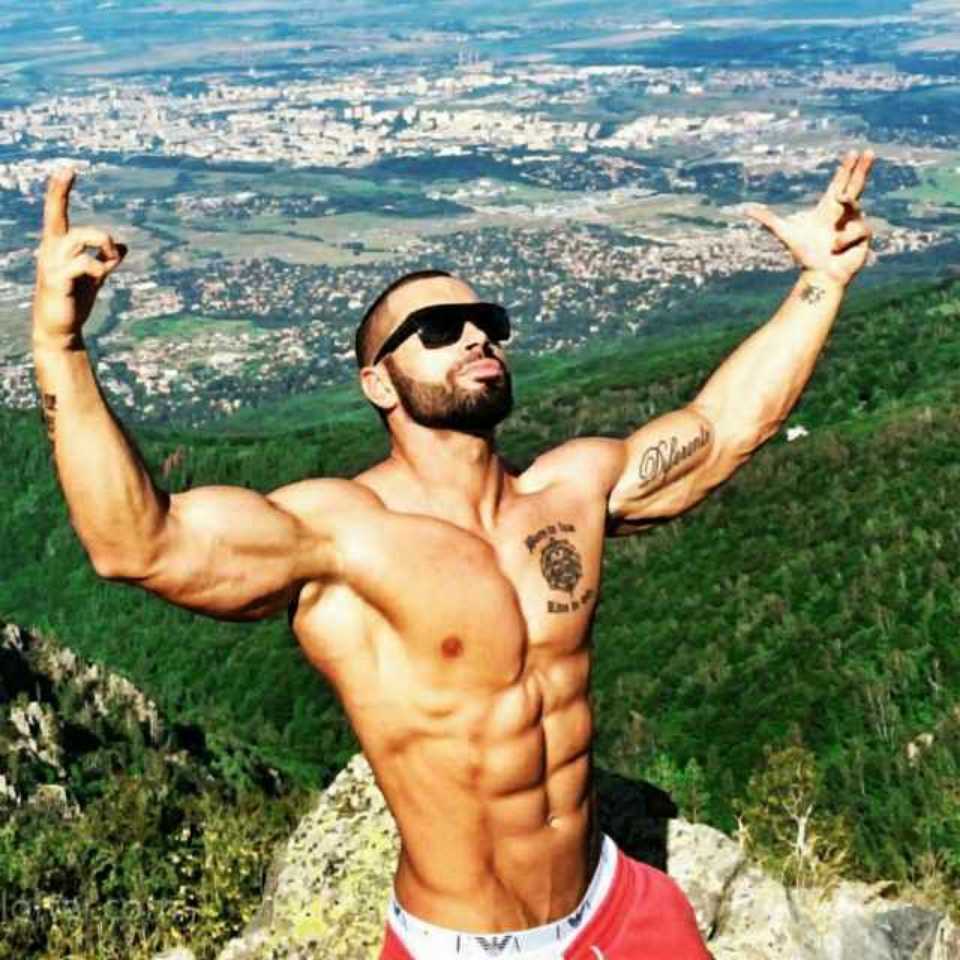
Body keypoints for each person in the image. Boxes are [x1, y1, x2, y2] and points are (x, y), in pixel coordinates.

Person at [31, 151, 874, 960]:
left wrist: (820, 283)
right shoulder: (342, 534)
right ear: (378, 383)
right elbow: (137, 544)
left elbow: (721, 430)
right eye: (437, 329)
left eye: (487, 324)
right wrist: (61, 347)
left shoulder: (571, 491)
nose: (475, 336)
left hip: (616, 904)